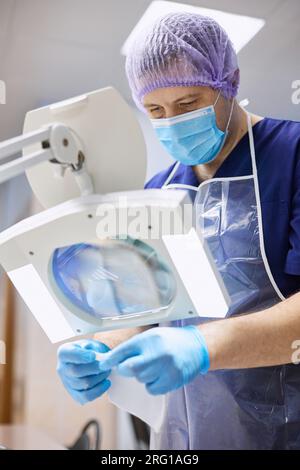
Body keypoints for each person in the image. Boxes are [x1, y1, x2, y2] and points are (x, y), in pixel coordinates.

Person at [56, 12, 300, 449]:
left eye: (187, 105)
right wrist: (101, 348)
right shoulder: (159, 190)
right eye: (155, 110)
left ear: (231, 82)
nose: (171, 121)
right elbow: (142, 305)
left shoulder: (293, 156)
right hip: (186, 433)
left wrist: (200, 346)